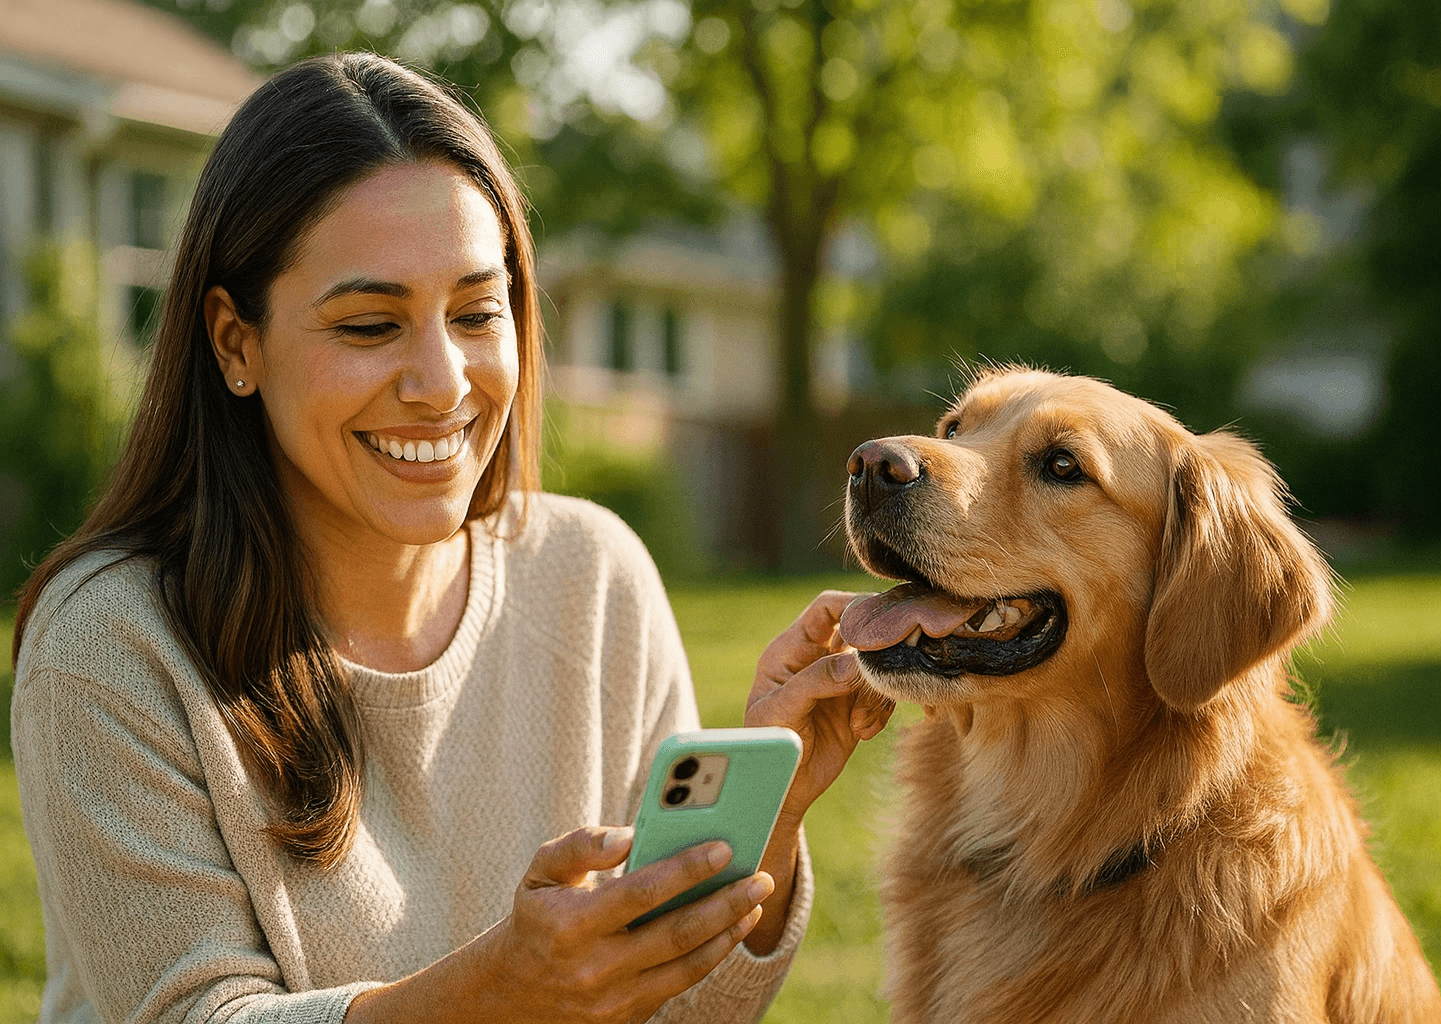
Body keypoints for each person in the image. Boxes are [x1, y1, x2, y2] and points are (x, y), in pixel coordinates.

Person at [9, 52, 892, 1024]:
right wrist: (498, 992)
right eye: (370, 324)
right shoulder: (109, 641)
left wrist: (754, 835)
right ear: (235, 344)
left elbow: (669, 1010)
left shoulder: (593, 577)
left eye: (477, 312)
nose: (442, 381)